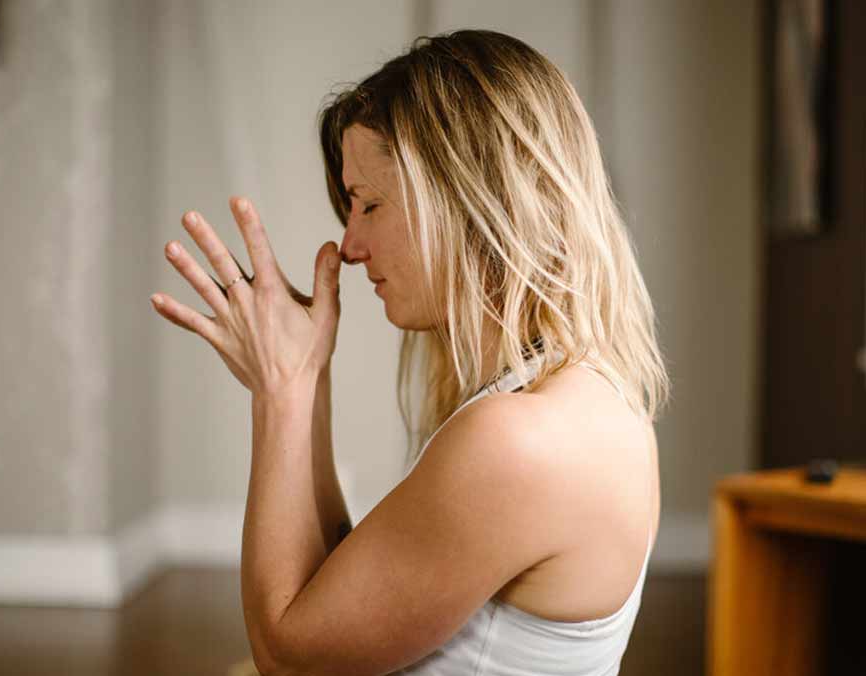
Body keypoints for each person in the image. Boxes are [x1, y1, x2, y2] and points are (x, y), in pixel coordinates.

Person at [150, 29, 669, 676]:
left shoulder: (519, 441)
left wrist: (279, 391)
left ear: (470, 197)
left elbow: (291, 658)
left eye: (369, 203)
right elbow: (344, 589)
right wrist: (305, 373)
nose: (350, 244)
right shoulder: (571, 392)